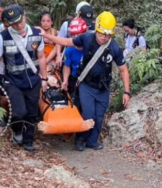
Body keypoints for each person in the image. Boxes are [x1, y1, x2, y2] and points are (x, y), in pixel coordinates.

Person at [40, 11, 131, 151]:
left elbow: (123, 70)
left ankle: (92, 141)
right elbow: (66, 41)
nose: (104, 38)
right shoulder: (86, 38)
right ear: (97, 30)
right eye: (102, 34)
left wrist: (127, 92)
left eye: (108, 35)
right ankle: (80, 139)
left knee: (99, 116)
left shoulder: (114, 48)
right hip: (86, 85)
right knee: (88, 114)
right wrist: (47, 35)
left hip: (103, 87)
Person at [0, 4, 49, 152]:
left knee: (32, 112)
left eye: (20, 20)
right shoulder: (1, 38)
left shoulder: (37, 34)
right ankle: (16, 128)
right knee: (18, 112)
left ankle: (28, 140)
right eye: (14, 23)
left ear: (25, 16)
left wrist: (44, 79)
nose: (19, 25)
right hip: (13, 80)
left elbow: (41, 57)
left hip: (32, 79)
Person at [61, 18, 87, 112]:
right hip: (74, 78)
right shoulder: (69, 50)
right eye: (74, 35)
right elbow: (67, 66)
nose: (76, 37)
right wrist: (65, 80)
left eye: (78, 34)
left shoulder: (90, 48)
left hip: (87, 79)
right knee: (73, 102)